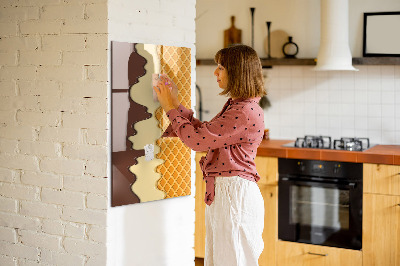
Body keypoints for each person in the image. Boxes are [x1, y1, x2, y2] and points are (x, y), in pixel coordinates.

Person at [153, 44, 266, 266]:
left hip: (234, 195)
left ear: (237, 71)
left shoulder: (243, 111)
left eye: (221, 67)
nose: (215, 72)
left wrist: (169, 108)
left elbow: (197, 141)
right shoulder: (239, 106)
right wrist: (175, 103)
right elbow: (205, 133)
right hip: (228, 193)